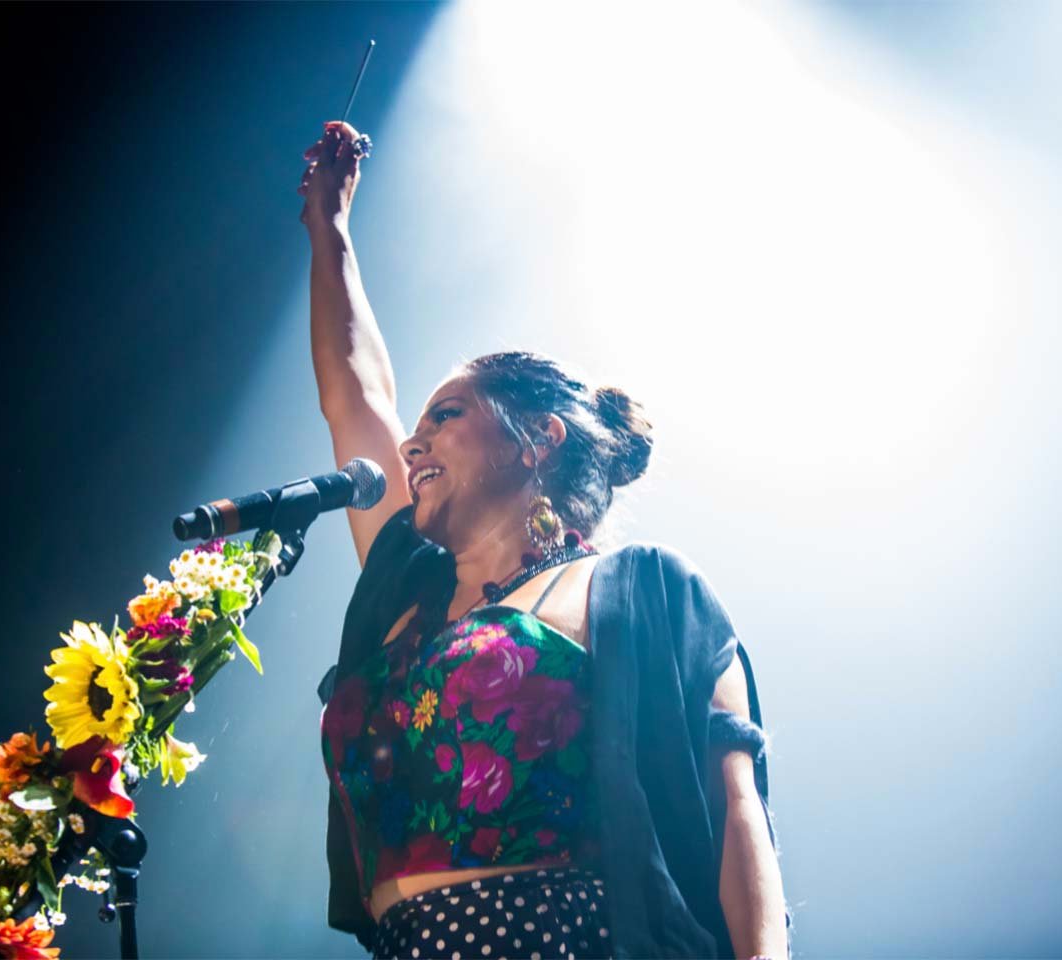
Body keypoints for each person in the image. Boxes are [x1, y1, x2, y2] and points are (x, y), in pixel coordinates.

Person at [300, 120, 792, 960]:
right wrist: (330, 231)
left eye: (445, 418)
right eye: (413, 429)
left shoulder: (635, 592)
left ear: (540, 439)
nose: (412, 446)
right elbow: (357, 396)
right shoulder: (409, 591)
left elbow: (737, 813)